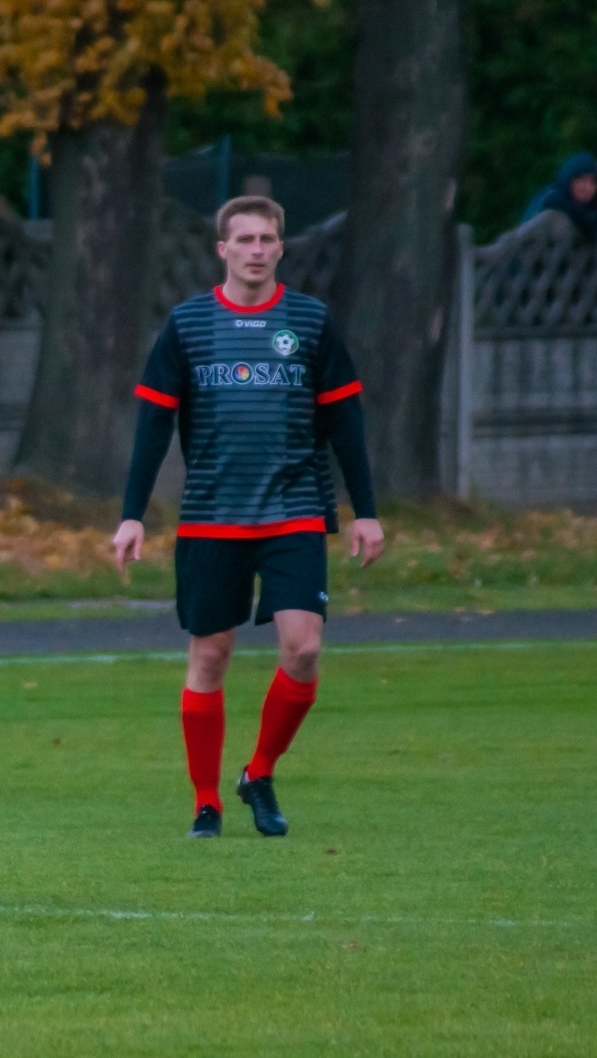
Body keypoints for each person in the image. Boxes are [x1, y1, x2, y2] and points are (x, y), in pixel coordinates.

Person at [112, 195, 384, 840]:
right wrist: (131, 516)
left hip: (294, 510)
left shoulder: (312, 323)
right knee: (210, 656)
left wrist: (366, 513)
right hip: (211, 516)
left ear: (281, 248)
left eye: (268, 239)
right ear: (223, 250)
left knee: (305, 647)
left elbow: (345, 421)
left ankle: (258, 772)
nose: (257, 250)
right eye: (245, 240)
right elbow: (153, 425)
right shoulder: (188, 324)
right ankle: (207, 801)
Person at [520, 153, 597, 238]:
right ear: (569, 177)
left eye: (593, 182)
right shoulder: (551, 198)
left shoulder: (589, 213)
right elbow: (553, 201)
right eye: (582, 179)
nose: (588, 187)